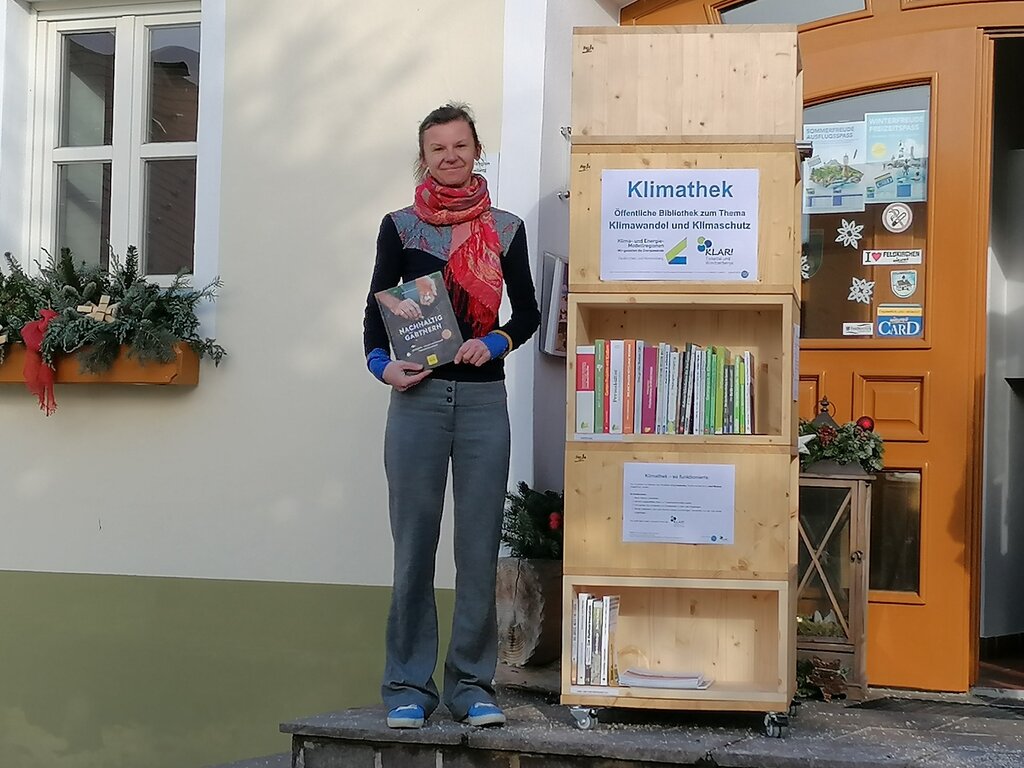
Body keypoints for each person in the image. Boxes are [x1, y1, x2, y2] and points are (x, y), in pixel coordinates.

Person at [362, 103, 540, 729]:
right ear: (424, 157)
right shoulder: (400, 227)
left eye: (459, 145)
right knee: (413, 546)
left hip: (485, 403)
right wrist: (382, 367)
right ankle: (408, 686)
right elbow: (376, 315)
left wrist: (496, 342)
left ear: (476, 150)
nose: (449, 156)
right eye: (437, 148)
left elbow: (528, 312)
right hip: (417, 402)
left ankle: (471, 686)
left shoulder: (507, 228)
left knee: (478, 546)